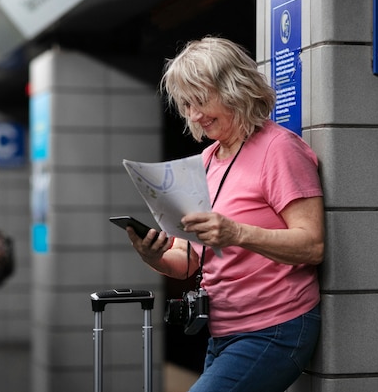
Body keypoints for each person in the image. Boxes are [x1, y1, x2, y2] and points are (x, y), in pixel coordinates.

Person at [125, 37, 324, 392]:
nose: (194, 115)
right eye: (186, 104)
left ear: (235, 88)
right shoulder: (205, 161)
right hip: (222, 332)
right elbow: (187, 260)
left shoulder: (279, 149)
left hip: (275, 328)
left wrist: (235, 233)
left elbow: (312, 245)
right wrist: (153, 256)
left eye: (201, 100)